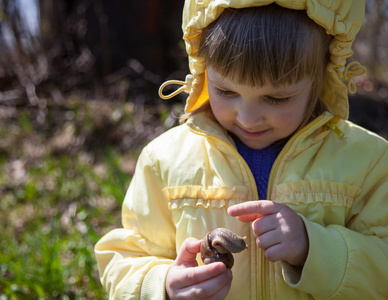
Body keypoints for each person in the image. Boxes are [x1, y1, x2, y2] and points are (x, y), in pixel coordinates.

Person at [95, 0, 388, 299]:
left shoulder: (369, 162)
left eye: (276, 98)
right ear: (202, 70)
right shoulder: (164, 160)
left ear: (323, 75)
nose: (248, 118)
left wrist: (315, 249)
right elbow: (124, 259)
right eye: (226, 91)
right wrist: (163, 284)